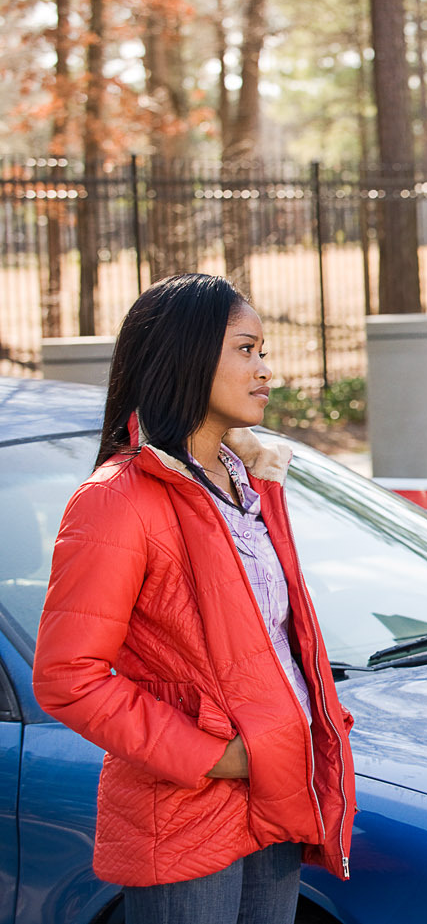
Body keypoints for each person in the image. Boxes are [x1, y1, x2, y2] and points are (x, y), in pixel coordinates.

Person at [33, 273, 355, 924]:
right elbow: (67, 677)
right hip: (186, 809)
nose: (265, 370)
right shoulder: (116, 500)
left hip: (279, 786)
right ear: (188, 355)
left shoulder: (253, 481)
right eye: (246, 349)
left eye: (263, 350)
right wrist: (214, 757)